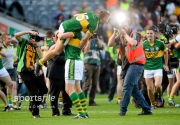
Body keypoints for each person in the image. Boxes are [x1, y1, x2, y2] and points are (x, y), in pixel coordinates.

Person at [35, 9, 111, 68]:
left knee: (55, 47)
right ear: (104, 18)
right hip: (67, 29)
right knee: (57, 51)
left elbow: (76, 15)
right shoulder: (95, 25)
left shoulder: (91, 14)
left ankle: (43, 60)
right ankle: (40, 63)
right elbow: (85, 39)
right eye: (108, 19)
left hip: (66, 25)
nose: (107, 21)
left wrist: (76, 25)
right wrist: (80, 49)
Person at [108, 20, 152, 116]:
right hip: (128, 65)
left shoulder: (135, 34)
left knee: (127, 86)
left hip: (136, 65)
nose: (124, 27)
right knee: (134, 90)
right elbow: (110, 44)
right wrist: (115, 32)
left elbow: (133, 43)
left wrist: (124, 34)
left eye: (125, 25)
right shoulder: (121, 36)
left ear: (129, 25)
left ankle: (122, 111)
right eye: (122, 26)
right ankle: (147, 109)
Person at [14, 30, 48, 118]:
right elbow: (16, 35)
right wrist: (28, 31)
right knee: (34, 91)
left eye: (37, 35)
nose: (35, 36)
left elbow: (41, 58)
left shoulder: (37, 45)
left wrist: (37, 46)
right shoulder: (24, 42)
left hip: (34, 70)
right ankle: (35, 112)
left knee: (44, 90)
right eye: (34, 35)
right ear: (30, 35)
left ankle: (32, 105)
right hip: (24, 70)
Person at [46, 31, 73, 116]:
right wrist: (69, 57)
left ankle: (66, 110)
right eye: (56, 36)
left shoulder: (66, 46)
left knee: (67, 93)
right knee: (55, 94)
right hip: (55, 73)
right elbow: (56, 58)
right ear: (53, 38)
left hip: (65, 73)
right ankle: (55, 112)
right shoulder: (52, 46)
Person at [143, 26, 169, 109]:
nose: (149, 35)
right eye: (148, 33)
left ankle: (160, 96)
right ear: (146, 34)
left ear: (154, 34)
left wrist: (165, 65)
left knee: (157, 85)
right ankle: (153, 104)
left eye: (151, 33)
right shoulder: (144, 44)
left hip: (158, 68)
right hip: (147, 68)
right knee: (149, 89)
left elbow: (165, 53)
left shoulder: (160, 43)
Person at [82, 33, 103, 106]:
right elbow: (86, 50)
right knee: (87, 83)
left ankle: (91, 101)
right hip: (88, 63)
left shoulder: (97, 41)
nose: (93, 37)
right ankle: (83, 100)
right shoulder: (85, 41)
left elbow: (101, 46)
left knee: (94, 84)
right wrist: (89, 41)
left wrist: (98, 39)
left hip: (97, 63)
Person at [1, 33, 18, 109]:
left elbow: (12, 56)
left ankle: (12, 104)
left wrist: (15, 58)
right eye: (8, 39)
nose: (10, 40)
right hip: (4, 69)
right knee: (6, 87)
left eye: (10, 38)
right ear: (4, 39)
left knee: (12, 85)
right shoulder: (1, 47)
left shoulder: (11, 46)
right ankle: (8, 103)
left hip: (12, 69)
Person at [167, 23, 180, 106]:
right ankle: (170, 99)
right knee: (176, 81)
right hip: (177, 60)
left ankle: (170, 99)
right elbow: (177, 46)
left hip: (175, 60)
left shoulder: (177, 37)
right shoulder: (177, 37)